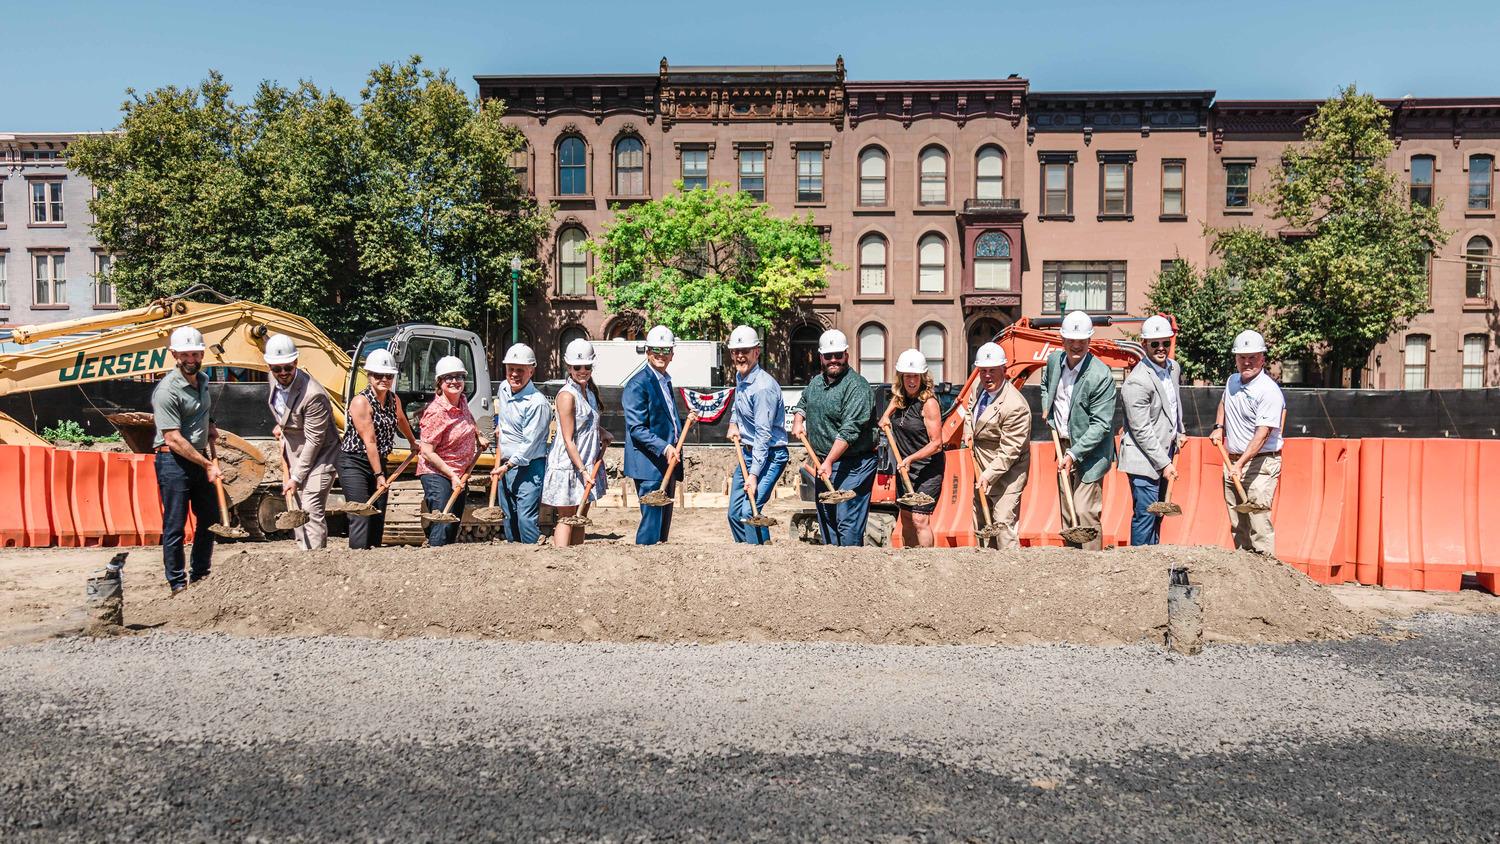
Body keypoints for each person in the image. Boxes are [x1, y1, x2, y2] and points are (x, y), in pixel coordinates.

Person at [151, 326, 221, 596]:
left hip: (198, 458)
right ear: (174, 355)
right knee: (175, 524)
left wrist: (211, 423)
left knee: (210, 518)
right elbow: (173, 439)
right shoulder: (166, 391)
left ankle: (201, 575)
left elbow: (199, 410)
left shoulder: (202, 380)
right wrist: (207, 465)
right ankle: (178, 584)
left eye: (196, 353)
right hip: (173, 463)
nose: (191, 358)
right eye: (185, 354)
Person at [791, 329, 878, 546]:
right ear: (821, 357)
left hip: (854, 465)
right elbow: (803, 402)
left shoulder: (857, 387)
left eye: (838, 355)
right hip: (825, 465)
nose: (833, 360)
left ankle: (851, 573)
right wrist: (798, 418)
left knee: (847, 523)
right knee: (827, 520)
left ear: (846, 355)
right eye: (828, 356)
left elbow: (850, 430)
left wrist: (829, 460)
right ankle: (834, 573)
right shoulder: (816, 383)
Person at [1040, 310, 1118, 551]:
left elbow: (1101, 426)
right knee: (1068, 511)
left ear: (1089, 341)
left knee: (1084, 512)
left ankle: (1092, 569)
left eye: (1081, 341)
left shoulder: (1100, 375)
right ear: (1062, 340)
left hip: (1091, 453)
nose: (1076, 346)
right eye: (1071, 341)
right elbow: (1045, 385)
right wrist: (1046, 407)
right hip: (1062, 444)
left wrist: (1073, 454)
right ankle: (1072, 568)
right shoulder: (1054, 361)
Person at [1212, 329, 1285, 556]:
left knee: (1259, 524)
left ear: (1262, 359)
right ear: (1235, 359)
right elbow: (1224, 401)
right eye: (1242, 357)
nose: (1247, 362)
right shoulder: (1232, 381)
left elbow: (1262, 434)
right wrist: (1218, 427)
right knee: (1238, 524)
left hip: (1260, 465)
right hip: (1233, 462)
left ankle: (1267, 575)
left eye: (1252, 357)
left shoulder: (1268, 391)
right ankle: (1246, 577)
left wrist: (1241, 463)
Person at [262, 334, 339, 550]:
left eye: (288, 367)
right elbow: (283, 409)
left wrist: (296, 477)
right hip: (294, 450)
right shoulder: (272, 379)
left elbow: (315, 440)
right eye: (277, 369)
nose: (283, 373)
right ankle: (303, 557)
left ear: (296, 362)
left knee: (311, 507)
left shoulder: (314, 394)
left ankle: (315, 563)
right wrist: (282, 425)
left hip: (321, 455)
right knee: (295, 507)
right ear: (270, 367)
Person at [336, 349, 417, 550]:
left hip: (379, 460)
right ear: (369, 376)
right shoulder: (360, 402)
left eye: (388, 376)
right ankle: (357, 556)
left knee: (378, 513)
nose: (384, 379)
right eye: (378, 375)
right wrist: (379, 474)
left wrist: (412, 442)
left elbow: (400, 419)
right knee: (361, 513)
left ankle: (373, 559)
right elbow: (370, 442)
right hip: (355, 462)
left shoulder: (393, 399)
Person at [1119, 315, 1185, 547]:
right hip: (1143, 459)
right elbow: (1141, 430)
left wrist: (1180, 431)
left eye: (1165, 343)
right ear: (1144, 344)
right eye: (1154, 343)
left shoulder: (1173, 368)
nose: (1161, 348)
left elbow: (1174, 404)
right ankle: (1138, 567)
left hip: (1164, 454)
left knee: (1158, 514)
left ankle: (1152, 562)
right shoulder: (1137, 381)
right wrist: (1164, 464)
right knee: (1146, 515)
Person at [959, 342, 1031, 550]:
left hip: (1007, 473)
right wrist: (967, 430)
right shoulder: (977, 385)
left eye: (992, 371)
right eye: (983, 371)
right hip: (980, 465)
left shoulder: (1015, 406)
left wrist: (988, 476)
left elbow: (1010, 451)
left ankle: (1010, 571)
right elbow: (970, 408)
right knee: (982, 523)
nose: (987, 376)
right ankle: (986, 573)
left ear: (1004, 370)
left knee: (1002, 523)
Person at [542, 339, 610, 546]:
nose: (583, 370)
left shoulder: (588, 392)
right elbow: (568, 438)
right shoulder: (566, 396)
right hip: (570, 465)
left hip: (587, 461)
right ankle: (562, 561)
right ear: (569, 367)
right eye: (577, 367)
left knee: (580, 519)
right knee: (567, 517)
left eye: (587, 367)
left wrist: (602, 432)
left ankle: (578, 561)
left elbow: (584, 423)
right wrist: (582, 470)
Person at [724, 325, 788, 545]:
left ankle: (760, 560)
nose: (739, 356)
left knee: (748, 511)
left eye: (745, 350)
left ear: (756, 352)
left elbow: (763, 434)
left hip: (770, 454)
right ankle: (748, 556)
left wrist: (754, 474)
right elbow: (738, 402)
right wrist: (734, 422)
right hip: (749, 453)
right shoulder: (742, 377)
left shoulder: (762, 388)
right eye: (735, 351)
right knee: (734, 514)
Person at [623, 325, 683, 545]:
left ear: (672, 355)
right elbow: (637, 428)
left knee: (662, 527)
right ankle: (644, 566)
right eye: (656, 349)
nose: (661, 354)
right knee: (651, 525)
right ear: (647, 352)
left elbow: (665, 421)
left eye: (666, 350)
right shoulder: (638, 384)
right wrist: (665, 447)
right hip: (649, 465)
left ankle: (658, 570)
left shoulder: (665, 381)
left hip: (666, 463)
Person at [418, 355, 487, 547]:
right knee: (443, 523)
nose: (455, 381)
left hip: (459, 472)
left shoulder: (462, 401)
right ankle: (434, 563)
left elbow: (468, 419)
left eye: (459, 377)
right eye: (449, 377)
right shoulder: (436, 412)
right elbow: (427, 452)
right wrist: (452, 475)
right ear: (440, 382)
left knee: (453, 523)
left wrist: (478, 436)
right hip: (438, 473)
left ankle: (447, 564)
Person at [878, 349, 943, 548]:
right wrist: (886, 416)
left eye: (915, 376)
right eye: (907, 376)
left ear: (922, 377)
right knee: (905, 517)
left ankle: (926, 562)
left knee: (919, 518)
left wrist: (910, 459)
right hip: (905, 466)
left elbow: (936, 444)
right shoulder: (901, 399)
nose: (911, 380)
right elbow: (895, 400)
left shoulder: (929, 404)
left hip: (927, 469)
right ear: (902, 377)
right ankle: (910, 562)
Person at [491, 343, 553, 545]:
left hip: (528, 467)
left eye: (520, 370)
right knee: (508, 517)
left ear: (531, 371)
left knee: (526, 519)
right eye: (511, 369)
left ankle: (533, 559)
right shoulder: (503, 388)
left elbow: (529, 443)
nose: (514, 374)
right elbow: (505, 416)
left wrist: (506, 466)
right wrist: (501, 427)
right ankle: (514, 560)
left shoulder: (537, 403)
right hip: (506, 464)